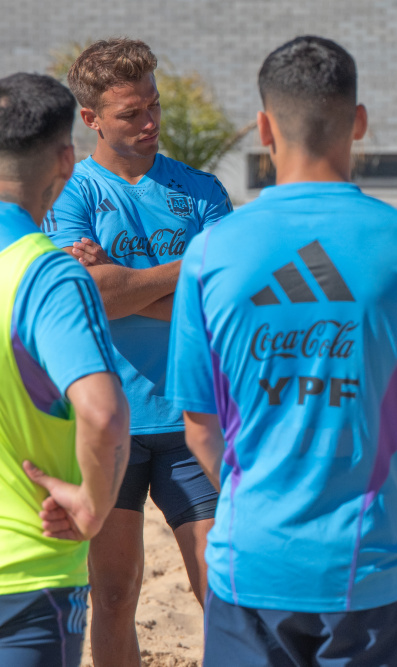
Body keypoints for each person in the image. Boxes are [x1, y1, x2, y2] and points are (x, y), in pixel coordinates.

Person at [165, 35, 397, 665]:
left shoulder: (211, 252)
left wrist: (260, 499)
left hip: (251, 563)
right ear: (358, 122)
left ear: (263, 129)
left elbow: (200, 427)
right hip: (372, 563)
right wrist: (385, 500)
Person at [44, 38, 230, 667]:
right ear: (91, 119)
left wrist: (122, 282)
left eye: (154, 105)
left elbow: (218, 301)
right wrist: (189, 266)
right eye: (131, 113)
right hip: (108, 423)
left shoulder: (201, 190)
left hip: (192, 418)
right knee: (116, 593)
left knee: (221, 592)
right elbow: (90, 296)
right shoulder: (69, 193)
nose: (150, 121)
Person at [0, 72, 130, 666]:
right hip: (26, 573)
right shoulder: (48, 274)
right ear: (65, 159)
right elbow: (103, 415)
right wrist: (93, 507)